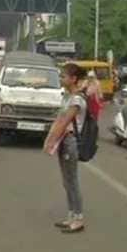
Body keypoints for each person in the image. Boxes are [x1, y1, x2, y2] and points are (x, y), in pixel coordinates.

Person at [43, 63, 87, 233]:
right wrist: (51, 138)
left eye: (63, 76)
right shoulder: (67, 96)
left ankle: (78, 217)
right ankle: (71, 214)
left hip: (71, 142)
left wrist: (50, 141)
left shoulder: (77, 99)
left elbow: (64, 121)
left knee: (72, 180)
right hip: (63, 141)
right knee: (66, 180)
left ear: (73, 79)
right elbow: (59, 119)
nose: (61, 79)